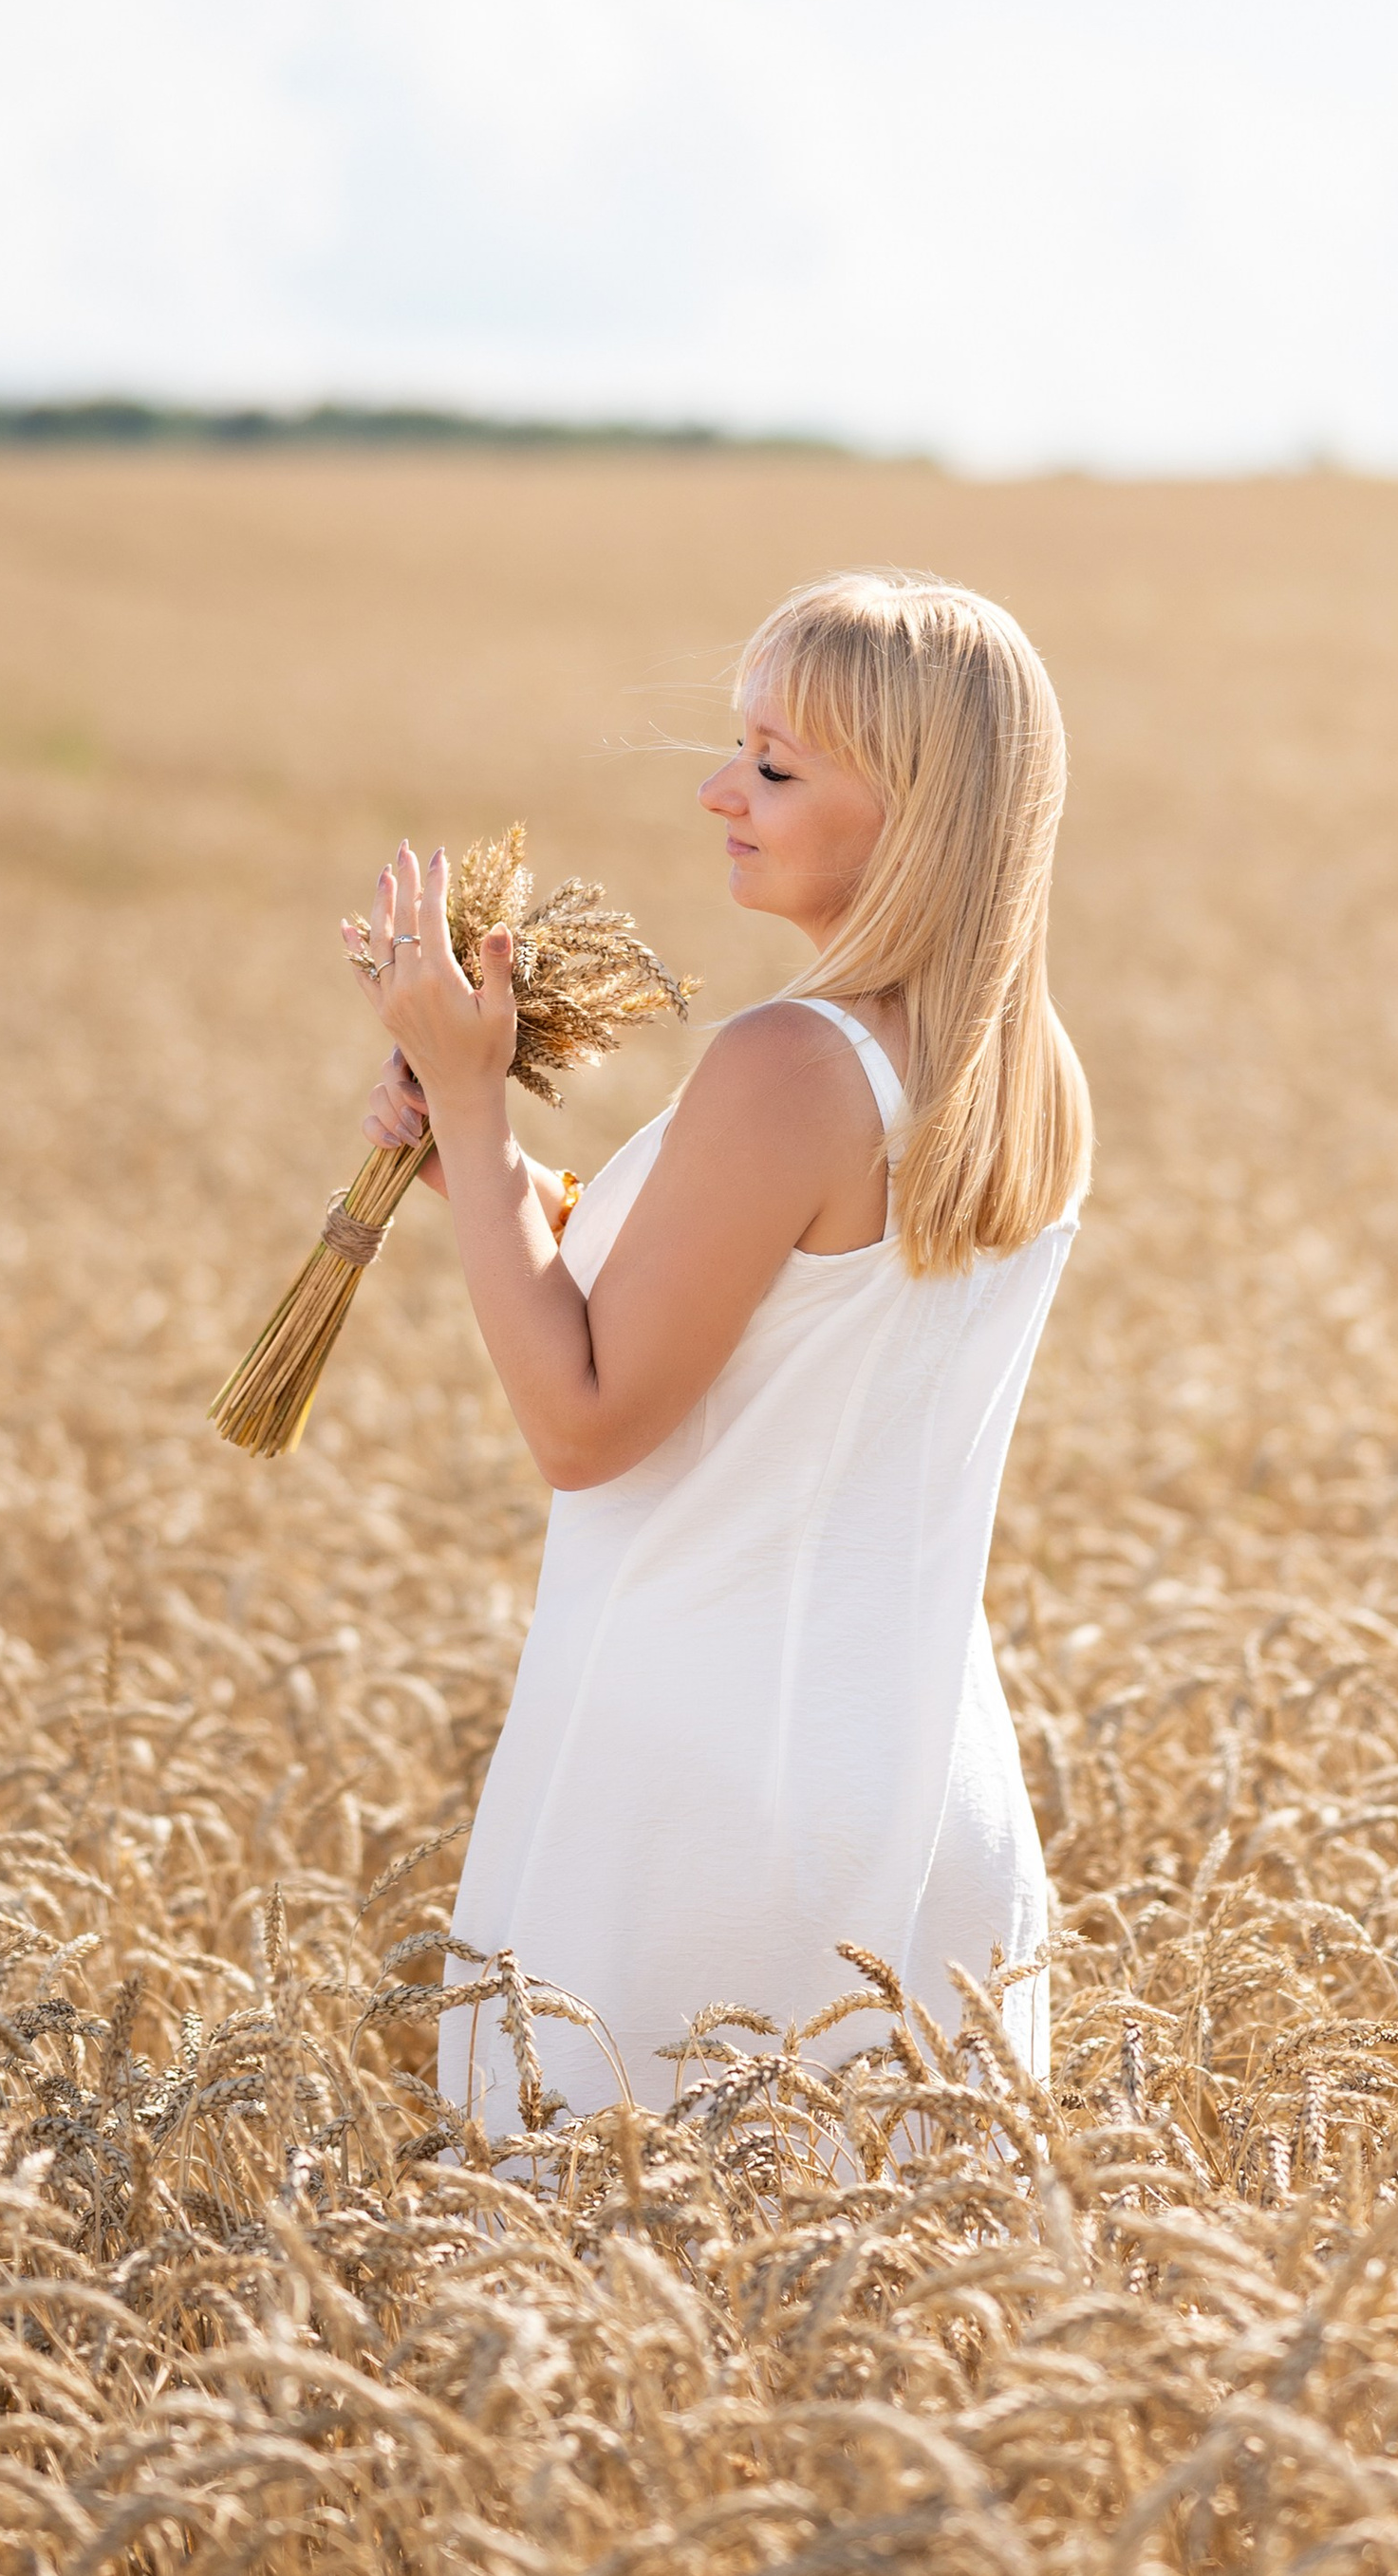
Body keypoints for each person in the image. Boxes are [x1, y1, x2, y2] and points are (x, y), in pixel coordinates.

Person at [340, 567, 1092, 2138]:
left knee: (597, 2255)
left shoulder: (790, 1066)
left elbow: (586, 1422)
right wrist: (488, 1176)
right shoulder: (1023, 1072)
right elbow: (797, 1325)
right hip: (922, 1792)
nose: (717, 792)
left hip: (705, 1787)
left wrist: (468, 1101)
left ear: (916, 814)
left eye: (773, 766)